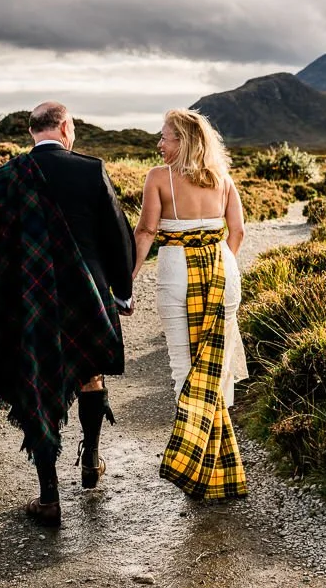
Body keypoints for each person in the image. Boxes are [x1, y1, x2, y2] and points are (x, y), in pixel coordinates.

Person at [0, 101, 135, 527]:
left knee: (37, 386)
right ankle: (91, 459)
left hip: (26, 300)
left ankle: (48, 498)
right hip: (86, 295)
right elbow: (117, 237)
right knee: (89, 373)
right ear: (65, 127)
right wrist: (123, 292)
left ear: (31, 132)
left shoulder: (5, 178)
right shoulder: (90, 170)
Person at [132, 108, 248, 499]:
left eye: (165, 137)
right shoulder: (224, 180)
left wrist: (127, 280)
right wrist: (223, 262)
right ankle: (218, 466)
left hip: (176, 271)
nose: (159, 144)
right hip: (221, 270)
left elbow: (147, 230)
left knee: (185, 365)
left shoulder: (158, 179)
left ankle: (195, 465)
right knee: (217, 366)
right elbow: (239, 231)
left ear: (184, 141)